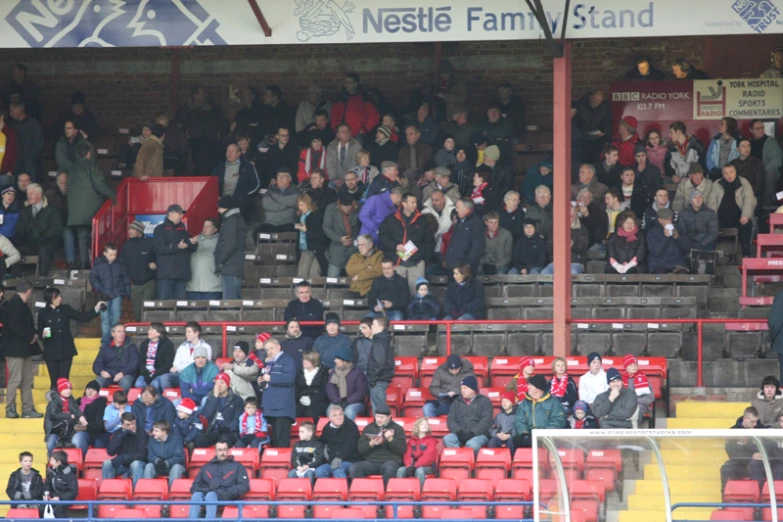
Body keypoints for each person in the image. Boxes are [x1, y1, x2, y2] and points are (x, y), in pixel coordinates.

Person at [38, 287, 102, 395]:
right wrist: (42, 335)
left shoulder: (66, 309)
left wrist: (95, 309)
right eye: (57, 297)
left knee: (64, 379)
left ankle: (65, 405)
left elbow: (83, 317)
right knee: (54, 381)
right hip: (50, 350)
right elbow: (40, 331)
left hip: (65, 350)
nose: (60, 298)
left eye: (59, 296)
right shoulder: (43, 313)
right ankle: (54, 404)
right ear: (50, 298)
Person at [66, 142, 115, 269]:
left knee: (82, 236)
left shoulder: (71, 169)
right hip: (91, 207)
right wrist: (113, 196)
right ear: (89, 153)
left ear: (77, 154)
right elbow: (100, 185)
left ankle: (84, 263)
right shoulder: (92, 167)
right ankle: (96, 262)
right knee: (96, 235)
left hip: (75, 209)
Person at [378, 192, 433, 294]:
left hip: (417, 263)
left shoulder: (422, 220)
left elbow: (429, 241)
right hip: (397, 262)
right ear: (404, 204)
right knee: (397, 293)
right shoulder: (391, 219)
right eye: (412, 203)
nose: (415, 205)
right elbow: (383, 237)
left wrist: (426, 259)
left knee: (417, 293)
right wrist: (395, 245)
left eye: (416, 202)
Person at [4, 280, 40, 419]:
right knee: (15, 379)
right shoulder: (14, 305)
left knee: (27, 379)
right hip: (14, 349)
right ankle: (10, 407)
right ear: (28, 291)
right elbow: (15, 326)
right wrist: (30, 336)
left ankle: (27, 408)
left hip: (23, 348)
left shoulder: (20, 305)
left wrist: (34, 334)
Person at [188, 439, 249, 520]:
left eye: (224, 450)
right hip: (206, 495)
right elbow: (194, 486)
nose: (222, 452)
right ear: (215, 451)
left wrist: (226, 493)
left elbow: (244, 486)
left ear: (228, 451)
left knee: (211, 495)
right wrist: (205, 490)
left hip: (226, 496)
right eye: (219, 450)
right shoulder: (206, 466)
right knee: (196, 495)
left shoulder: (238, 466)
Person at [350, 407, 406, 486]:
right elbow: (360, 449)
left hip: (390, 461)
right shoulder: (369, 428)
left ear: (389, 417)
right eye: (377, 416)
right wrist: (371, 444)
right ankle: (366, 493)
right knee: (354, 468)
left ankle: (387, 494)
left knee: (390, 468)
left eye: (382, 417)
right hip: (371, 462)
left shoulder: (397, 428)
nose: (379, 419)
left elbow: (402, 450)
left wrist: (391, 439)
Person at [154, 204, 198, 300]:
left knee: (180, 305)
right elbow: (160, 248)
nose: (181, 216)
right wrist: (177, 246)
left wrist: (193, 243)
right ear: (171, 213)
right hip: (166, 274)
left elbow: (191, 248)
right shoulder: (160, 229)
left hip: (182, 274)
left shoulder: (183, 230)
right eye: (179, 213)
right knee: (164, 305)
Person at [89, 243, 130, 345]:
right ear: (104, 253)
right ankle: (105, 342)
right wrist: (101, 289)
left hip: (117, 294)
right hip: (103, 296)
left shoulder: (120, 265)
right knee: (105, 319)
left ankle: (115, 341)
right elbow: (93, 278)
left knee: (116, 317)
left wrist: (127, 292)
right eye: (111, 254)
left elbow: (125, 279)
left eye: (115, 255)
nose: (113, 257)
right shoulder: (98, 265)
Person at [260, 338, 297, 448]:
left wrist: (271, 378)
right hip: (271, 406)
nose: (269, 351)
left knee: (282, 441)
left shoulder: (287, 360)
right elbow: (266, 381)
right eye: (267, 350)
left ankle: (283, 463)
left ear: (279, 347)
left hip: (282, 406)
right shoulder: (267, 363)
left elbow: (290, 378)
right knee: (275, 440)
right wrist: (261, 382)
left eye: (271, 348)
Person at [720, 407, 769, 489]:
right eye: (752, 422)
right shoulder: (733, 431)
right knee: (726, 467)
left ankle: (759, 497)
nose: (755, 424)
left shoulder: (761, 429)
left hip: (757, 465)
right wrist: (750, 457)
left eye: (756, 421)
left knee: (756, 465)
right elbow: (731, 453)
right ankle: (727, 497)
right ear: (745, 418)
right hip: (740, 464)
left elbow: (768, 446)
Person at [513, 374, 566, 448]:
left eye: (530, 385)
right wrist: (524, 434)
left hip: (549, 437)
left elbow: (558, 420)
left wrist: (544, 434)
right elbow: (519, 420)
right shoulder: (524, 403)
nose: (528, 387)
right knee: (515, 440)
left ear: (538, 388)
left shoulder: (553, 402)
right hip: (529, 437)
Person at [119, 220, 157, 321]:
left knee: (147, 309)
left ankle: (148, 331)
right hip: (134, 284)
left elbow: (160, 258)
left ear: (139, 231)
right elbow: (122, 264)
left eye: (132, 229)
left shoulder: (151, 242)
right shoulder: (127, 245)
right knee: (137, 312)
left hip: (149, 283)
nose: (129, 231)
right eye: (129, 229)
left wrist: (156, 263)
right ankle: (140, 333)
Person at [444, 376, 493, 453]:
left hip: (478, 434)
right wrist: (458, 432)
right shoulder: (457, 402)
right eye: (461, 388)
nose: (462, 390)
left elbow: (485, 421)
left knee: (472, 444)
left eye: (465, 388)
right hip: (460, 433)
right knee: (447, 439)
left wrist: (472, 433)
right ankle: (459, 461)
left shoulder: (485, 401)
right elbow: (451, 419)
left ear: (473, 389)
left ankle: (468, 462)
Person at [717, 163, 757, 257]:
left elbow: (749, 199)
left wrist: (745, 215)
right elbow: (712, 203)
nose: (729, 175)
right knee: (708, 224)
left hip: (739, 219)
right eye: (726, 173)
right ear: (722, 174)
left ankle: (746, 254)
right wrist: (711, 218)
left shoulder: (744, 183)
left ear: (736, 172)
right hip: (721, 220)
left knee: (747, 224)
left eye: (731, 172)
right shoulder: (717, 184)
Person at [196, 373, 244, 448]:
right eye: (217, 382)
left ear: (228, 385)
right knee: (200, 439)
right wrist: (214, 397)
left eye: (222, 382)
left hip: (229, 432)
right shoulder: (210, 398)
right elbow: (206, 416)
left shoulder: (237, 400)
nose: (219, 385)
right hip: (214, 431)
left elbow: (238, 419)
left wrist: (228, 428)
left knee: (223, 440)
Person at [214, 143, 260, 221]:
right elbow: (213, 185)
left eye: (232, 151)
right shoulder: (219, 167)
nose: (229, 153)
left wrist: (244, 195)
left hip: (239, 201)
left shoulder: (247, 166)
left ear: (238, 153)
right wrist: (216, 195)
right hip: (222, 200)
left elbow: (256, 184)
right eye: (227, 151)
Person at [44, 378, 89, 456]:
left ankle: (65, 442)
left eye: (70, 388)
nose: (68, 390)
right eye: (65, 388)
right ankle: (63, 442)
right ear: (60, 390)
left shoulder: (71, 399)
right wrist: (68, 415)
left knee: (70, 421)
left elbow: (76, 409)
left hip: (66, 427)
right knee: (67, 420)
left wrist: (81, 416)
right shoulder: (54, 401)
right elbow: (53, 415)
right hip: (54, 426)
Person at [103, 412, 148, 487]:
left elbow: (142, 455)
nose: (131, 426)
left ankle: (137, 492)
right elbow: (110, 452)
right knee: (107, 464)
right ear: (122, 424)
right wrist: (121, 436)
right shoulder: (118, 433)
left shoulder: (142, 434)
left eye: (133, 423)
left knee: (136, 464)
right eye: (128, 424)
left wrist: (124, 458)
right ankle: (108, 490)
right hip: (122, 466)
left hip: (137, 465)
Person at [330, 73, 380, 142]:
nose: (345, 85)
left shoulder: (364, 97)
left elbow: (374, 116)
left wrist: (364, 129)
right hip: (341, 132)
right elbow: (334, 114)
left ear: (355, 84)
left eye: (348, 83)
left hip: (357, 133)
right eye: (345, 82)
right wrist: (335, 127)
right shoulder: (340, 98)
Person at [315, 405, 360, 479]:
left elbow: (350, 444)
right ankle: (330, 490)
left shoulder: (351, 426)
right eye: (334, 415)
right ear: (329, 418)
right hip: (332, 460)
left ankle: (342, 489)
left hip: (350, 460)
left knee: (337, 468)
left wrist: (339, 457)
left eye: (340, 414)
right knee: (319, 471)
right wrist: (324, 451)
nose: (338, 417)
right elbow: (321, 441)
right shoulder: (327, 428)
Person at [215, 196, 247, 300]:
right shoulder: (238, 219)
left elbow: (228, 245)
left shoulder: (231, 221)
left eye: (220, 207)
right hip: (235, 265)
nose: (218, 210)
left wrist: (219, 260)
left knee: (230, 301)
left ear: (226, 207)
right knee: (235, 300)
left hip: (229, 266)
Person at [443, 198, 485, 276]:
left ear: (466, 208)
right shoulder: (459, 221)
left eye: (458, 207)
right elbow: (453, 242)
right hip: (452, 265)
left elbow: (478, 247)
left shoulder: (476, 223)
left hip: (464, 268)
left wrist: (467, 264)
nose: (456, 210)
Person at [325, 343, 367, 419]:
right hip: (337, 402)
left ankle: (348, 430)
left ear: (344, 360)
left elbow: (361, 392)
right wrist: (337, 401)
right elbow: (330, 389)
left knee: (349, 411)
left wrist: (348, 401)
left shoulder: (358, 372)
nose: (335, 360)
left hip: (355, 403)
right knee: (330, 411)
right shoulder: (334, 372)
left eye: (337, 358)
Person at [168, 321, 213, 391]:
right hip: (180, 375)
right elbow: (175, 364)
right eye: (186, 332)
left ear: (196, 333)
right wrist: (178, 367)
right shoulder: (182, 347)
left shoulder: (206, 347)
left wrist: (179, 367)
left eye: (189, 332)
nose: (186, 334)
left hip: (197, 376)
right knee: (162, 379)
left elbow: (199, 365)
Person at [748, 118, 783, 207]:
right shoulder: (748, 143)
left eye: (762, 127)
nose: (760, 130)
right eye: (757, 128)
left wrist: (763, 169)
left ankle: (767, 208)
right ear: (751, 130)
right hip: (752, 170)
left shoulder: (771, 141)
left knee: (769, 174)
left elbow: (778, 160)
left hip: (767, 170)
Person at [323, 194, 359, 278]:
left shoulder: (359, 208)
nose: (346, 209)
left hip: (354, 247)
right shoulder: (331, 209)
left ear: (352, 203)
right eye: (344, 207)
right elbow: (327, 228)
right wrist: (340, 239)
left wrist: (354, 241)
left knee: (355, 280)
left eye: (348, 207)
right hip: (337, 248)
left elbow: (363, 228)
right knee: (332, 278)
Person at [647, 208, 691, 274]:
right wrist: (665, 237)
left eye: (670, 219)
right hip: (659, 264)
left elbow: (687, 248)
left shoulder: (679, 230)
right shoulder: (652, 232)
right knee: (660, 274)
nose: (669, 221)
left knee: (683, 274)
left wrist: (678, 238)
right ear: (659, 220)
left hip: (677, 263)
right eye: (666, 219)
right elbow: (656, 252)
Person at [295, 193, 329, 278]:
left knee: (314, 273)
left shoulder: (316, 215)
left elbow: (321, 236)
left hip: (318, 249)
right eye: (299, 205)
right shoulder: (299, 216)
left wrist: (306, 231)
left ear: (308, 204)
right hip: (305, 249)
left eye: (302, 205)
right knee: (302, 274)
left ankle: (316, 291)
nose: (300, 207)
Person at [397, 417, 438, 487]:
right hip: (413, 466)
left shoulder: (431, 441)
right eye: (422, 424)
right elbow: (407, 455)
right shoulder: (411, 441)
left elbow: (428, 458)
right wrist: (409, 466)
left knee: (419, 471)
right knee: (401, 470)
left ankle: (420, 494)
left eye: (426, 424)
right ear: (417, 427)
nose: (425, 425)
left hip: (428, 467)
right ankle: (400, 492)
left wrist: (415, 466)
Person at [135, 323, 175, 391]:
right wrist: (145, 373)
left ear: (159, 333)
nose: (148, 331)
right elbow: (141, 362)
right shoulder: (144, 344)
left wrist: (156, 374)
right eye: (149, 329)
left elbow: (168, 364)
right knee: (138, 384)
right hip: (146, 373)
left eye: (151, 330)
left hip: (159, 373)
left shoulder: (168, 345)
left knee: (155, 385)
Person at [144, 420, 186, 486]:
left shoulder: (176, 440)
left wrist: (166, 463)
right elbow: (150, 456)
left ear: (164, 432)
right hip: (158, 467)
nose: (153, 432)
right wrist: (157, 461)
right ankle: (147, 491)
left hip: (172, 467)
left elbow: (179, 457)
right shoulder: (151, 440)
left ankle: (172, 493)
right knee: (149, 466)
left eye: (156, 431)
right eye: (153, 430)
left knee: (176, 467)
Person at [367, 316, 394, 414]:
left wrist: (373, 379)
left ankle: (382, 429)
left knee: (379, 413)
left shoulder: (379, 343)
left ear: (380, 326)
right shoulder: (383, 341)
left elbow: (379, 363)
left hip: (378, 381)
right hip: (380, 380)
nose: (371, 326)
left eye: (373, 324)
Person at [8, 101, 42, 178]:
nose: (10, 114)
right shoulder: (11, 126)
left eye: (12, 111)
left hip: (29, 163)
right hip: (15, 163)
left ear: (19, 111)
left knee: (30, 187)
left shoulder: (33, 124)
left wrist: (30, 158)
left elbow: (38, 143)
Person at [294, 350, 329, 423]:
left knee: (310, 413)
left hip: (318, 401)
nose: (304, 361)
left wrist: (312, 399)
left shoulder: (323, 373)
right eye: (303, 359)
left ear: (314, 361)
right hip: (301, 400)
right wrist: (300, 397)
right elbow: (296, 389)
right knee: (295, 412)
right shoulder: (299, 373)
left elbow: (324, 391)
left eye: (307, 360)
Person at [258, 168, 298, 233]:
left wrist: (276, 198)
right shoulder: (270, 190)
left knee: (294, 236)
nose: (280, 178)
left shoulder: (295, 190)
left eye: (284, 176)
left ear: (290, 179)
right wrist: (287, 205)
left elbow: (293, 201)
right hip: (270, 223)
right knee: (257, 234)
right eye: (279, 176)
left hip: (288, 224)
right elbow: (267, 205)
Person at [42, 451, 78, 519]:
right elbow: (46, 486)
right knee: (42, 508)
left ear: (58, 462)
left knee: (58, 510)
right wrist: (46, 495)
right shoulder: (51, 473)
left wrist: (60, 498)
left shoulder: (70, 474)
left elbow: (73, 491)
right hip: (52, 499)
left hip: (65, 499)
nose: (50, 463)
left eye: (52, 461)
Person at [622, 355, 655, 422]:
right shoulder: (621, 380)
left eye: (635, 364)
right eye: (631, 365)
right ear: (626, 367)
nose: (634, 367)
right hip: (625, 405)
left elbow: (651, 397)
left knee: (633, 414)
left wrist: (635, 401)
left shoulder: (643, 378)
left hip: (640, 405)